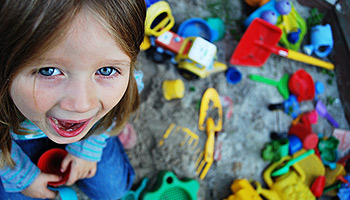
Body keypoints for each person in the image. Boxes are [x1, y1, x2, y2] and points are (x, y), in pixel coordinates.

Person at [0, 0, 146, 199]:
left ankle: (110, 130)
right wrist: (23, 177)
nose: (82, 105)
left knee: (113, 190)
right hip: (12, 140)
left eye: (106, 70)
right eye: (48, 71)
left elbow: (130, 89)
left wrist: (88, 148)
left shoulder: (125, 82)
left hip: (92, 128)